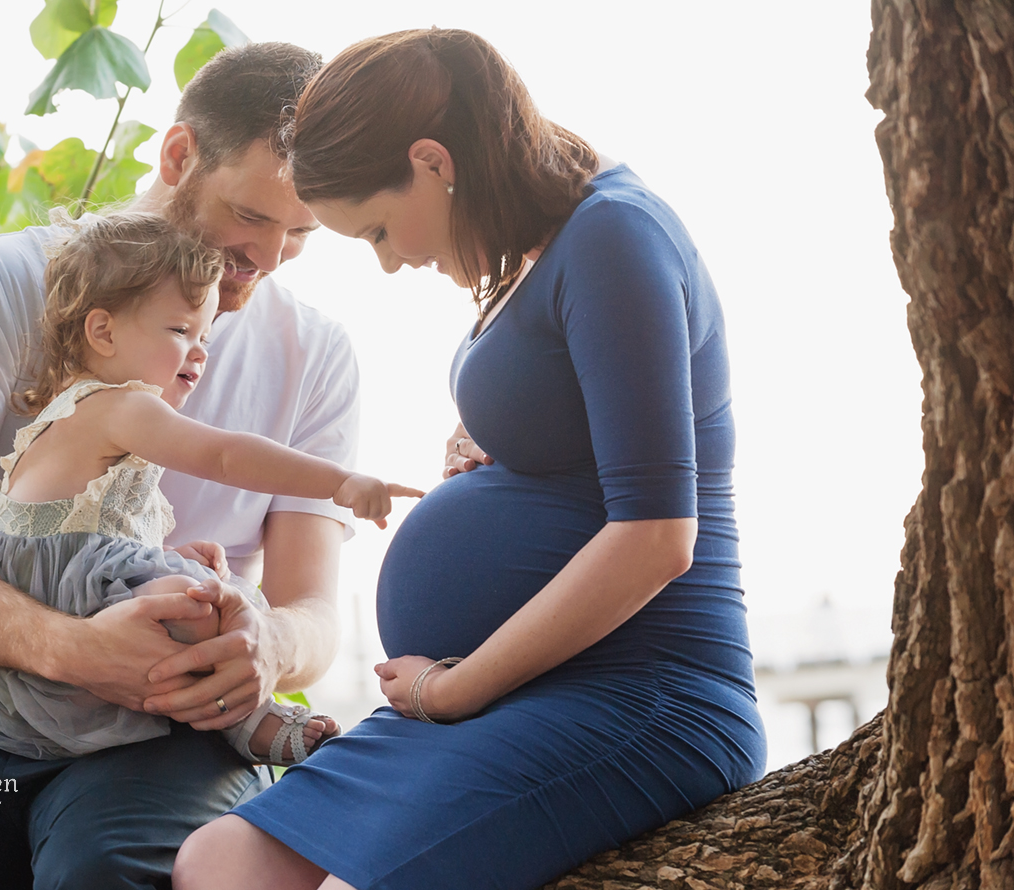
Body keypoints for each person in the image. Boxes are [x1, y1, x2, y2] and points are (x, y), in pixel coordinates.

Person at [174, 28, 769, 890]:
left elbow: (659, 537)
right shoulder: (539, 243)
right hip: (517, 689)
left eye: (378, 229)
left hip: (641, 690)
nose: (389, 263)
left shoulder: (612, 234)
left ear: (431, 161)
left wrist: (450, 693)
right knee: (219, 861)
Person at [0, 43, 358, 890]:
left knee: (109, 870)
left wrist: (267, 642)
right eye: (253, 216)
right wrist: (76, 651)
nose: (270, 257)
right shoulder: (6, 277)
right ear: (178, 157)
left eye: (301, 234)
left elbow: (314, 607)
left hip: (172, 728)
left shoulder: (314, 354)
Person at [0, 209, 418, 764]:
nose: (200, 351)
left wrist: (159, 556)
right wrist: (339, 480)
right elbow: (224, 456)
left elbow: (73, 540)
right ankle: (249, 720)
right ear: (102, 331)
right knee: (209, 609)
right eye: (179, 330)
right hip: (59, 601)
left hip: (35, 612)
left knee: (193, 585)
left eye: (204, 334)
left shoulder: (64, 414)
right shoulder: (125, 405)